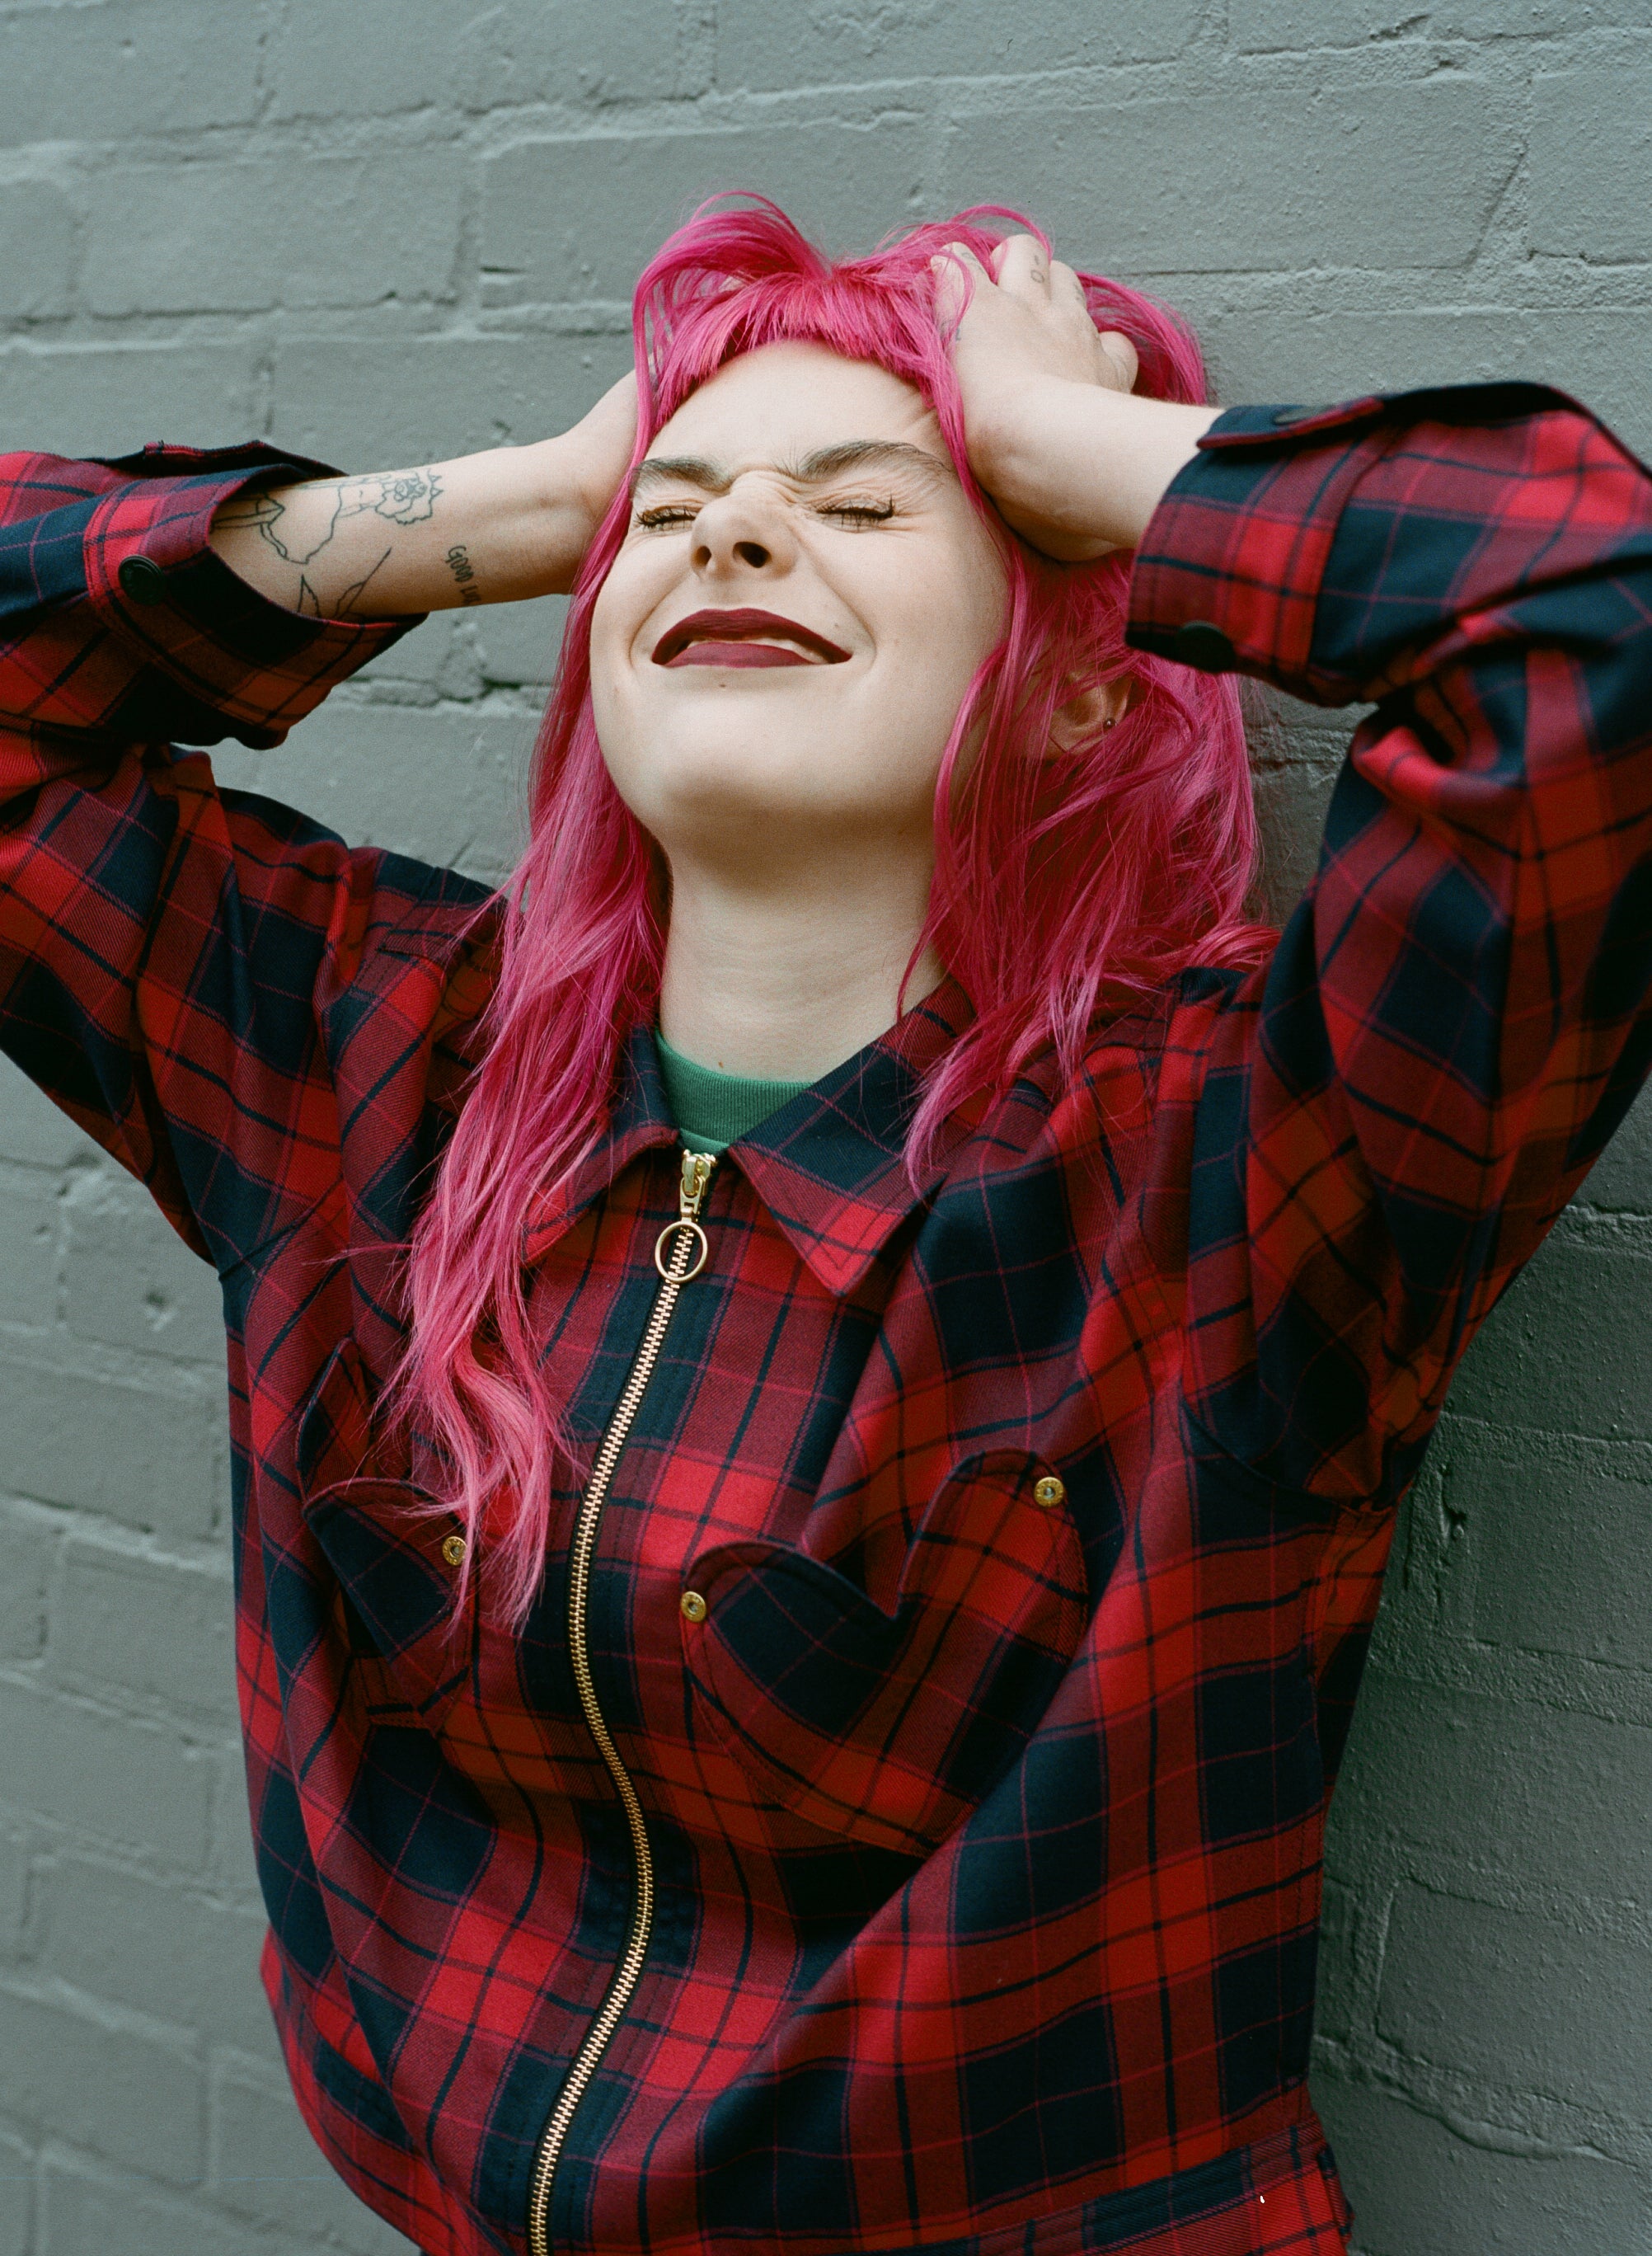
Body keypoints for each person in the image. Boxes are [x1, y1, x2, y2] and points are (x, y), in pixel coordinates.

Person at [2, 196, 1649, 2256]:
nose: (740, 537)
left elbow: (1599, 617)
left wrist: (1067, 446)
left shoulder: (1221, 1162)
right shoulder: (367, 1061)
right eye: (673, 514)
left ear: (1079, 686)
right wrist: (528, 505)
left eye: (864, 505)